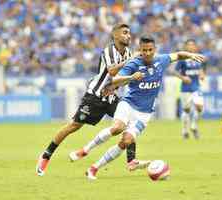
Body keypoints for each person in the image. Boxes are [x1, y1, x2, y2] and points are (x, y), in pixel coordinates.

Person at [74, 34, 205, 180]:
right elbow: (115, 79)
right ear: (140, 50)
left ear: (155, 49)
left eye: (150, 50)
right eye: (144, 50)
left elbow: (178, 55)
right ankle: (86, 149)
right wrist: (131, 77)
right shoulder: (134, 63)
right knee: (117, 127)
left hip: (144, 113)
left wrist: (191, 55)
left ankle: (93, 168)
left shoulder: (161, 60)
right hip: (128, 104)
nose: (147, 53)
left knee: (126, 141)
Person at [36, 23, 146, 176]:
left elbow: (123, 78)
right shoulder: (109, 51)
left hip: (111, 96)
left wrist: (125, 82)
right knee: (74, 126)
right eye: (124, 33)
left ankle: (131, 160)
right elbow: (112, 70)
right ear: (115, 35)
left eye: (129, 33)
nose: (128, 36)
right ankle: (46, 155)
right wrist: (130, 62)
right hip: (95, 95)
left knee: (128, 123)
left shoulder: (128, 53)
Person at [174, 39, 205, 139]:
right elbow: (174, 71)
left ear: (195, 47)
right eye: (189, 45)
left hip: (196, 87)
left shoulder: (198, 57)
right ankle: (184, 131)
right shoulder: (182, 59)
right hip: (185, 88)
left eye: (193, 45)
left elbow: (200, 69)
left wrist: (201, 74)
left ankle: (193, 126)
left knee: (199, 107)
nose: (191, 47)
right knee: (186, 110)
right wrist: (183, 78)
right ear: (186, 47)